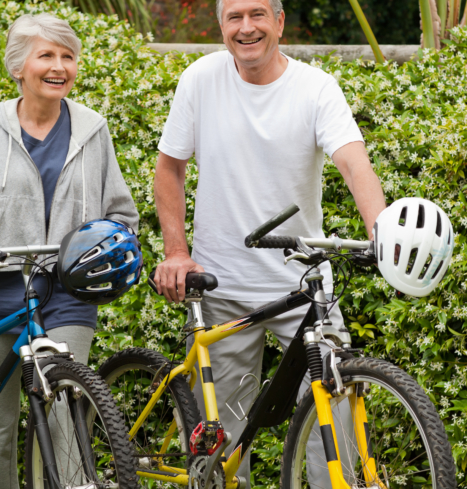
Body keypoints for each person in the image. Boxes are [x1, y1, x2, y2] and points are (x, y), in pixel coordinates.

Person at [152, 0, 387, 485]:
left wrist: (380, 230)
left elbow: (352, 161)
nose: (246, 27)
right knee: (223, 446)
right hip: (223, 288)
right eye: (234, 17)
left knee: (336, 424)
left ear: (279, 22)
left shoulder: (315, 88)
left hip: (303, 287)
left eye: (257, 14)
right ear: (221, 27)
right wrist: (177, 252)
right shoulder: (200, 79)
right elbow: (169, 169)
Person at [0, 13, 138, 489]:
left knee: (64, 413)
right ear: (19, 67)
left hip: (65, 294)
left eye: (67, 56)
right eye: (47, 55)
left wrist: (107, 246)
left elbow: (120, 215)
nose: (59, 66)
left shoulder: (93, 130)